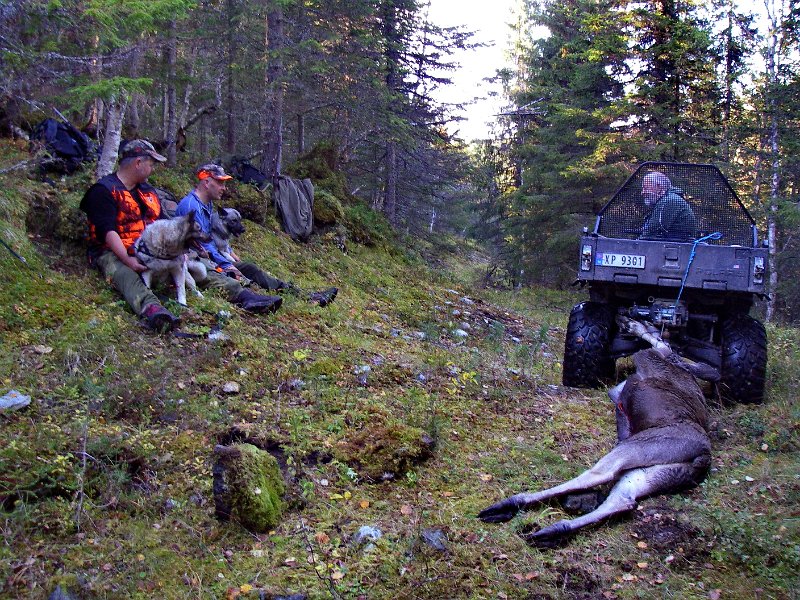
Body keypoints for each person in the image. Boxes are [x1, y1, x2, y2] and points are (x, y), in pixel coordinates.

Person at [80, 141, 282, 334]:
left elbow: (164, 225)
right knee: (125, 274)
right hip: (116, 251)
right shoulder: (104, 191)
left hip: (155, 249)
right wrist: (128, 259)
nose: (153, 169)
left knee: (198, 264)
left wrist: (180, 250)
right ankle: (153, 310)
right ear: (138, 163)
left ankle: (243, 295)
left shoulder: (148, 192)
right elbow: (108, 232)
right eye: (151, 164)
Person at [176, 163, 337, 306]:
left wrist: (229, 253)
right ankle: (252, 299)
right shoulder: (191, 207)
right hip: (194, 262)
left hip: (210, 258)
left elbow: (211, 236)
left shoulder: (207, 204)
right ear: (206, 182)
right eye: (220, 183)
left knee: (250, 268)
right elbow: (202, 245)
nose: (224, 188)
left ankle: (304, 295)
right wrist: (225, 265)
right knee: (232, 280)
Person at [639, 171, 698, 242]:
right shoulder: (668, 199)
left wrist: (638, 242)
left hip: (678, 246)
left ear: (659, 187)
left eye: (645, 188)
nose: (642, 192)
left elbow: (652, 230)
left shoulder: (669, 201)